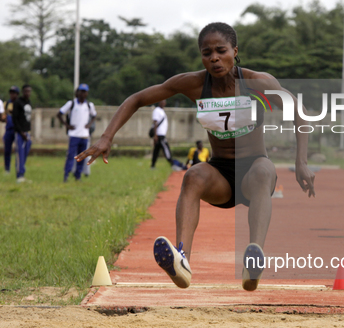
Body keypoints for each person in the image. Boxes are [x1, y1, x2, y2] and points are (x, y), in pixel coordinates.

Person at [76, 22, 315, 292]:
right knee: (193, 175)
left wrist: (301, 162)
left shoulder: (258, 82)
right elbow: (137, 99)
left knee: (263, 170)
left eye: (221, 50)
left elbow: (300, 111)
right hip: (221, 176)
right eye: (206, 52)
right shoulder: (193, 84)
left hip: (253, 173)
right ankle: (182, 260)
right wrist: (107, 136)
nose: (213, 57)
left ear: (235, 51)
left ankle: (253, 258)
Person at [57, 84, 97, 182]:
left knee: (82, 157)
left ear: (87, 93)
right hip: (74, 135)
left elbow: (94, 115)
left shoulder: (89, 105)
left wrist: (89, 124)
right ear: (78, 92)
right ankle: (66, 175)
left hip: (84, 135)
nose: (83, 93)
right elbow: (59, 114)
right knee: (71, 156)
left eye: (84, 92)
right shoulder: (71, 103)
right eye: (81, 91)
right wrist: (67, 125)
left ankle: (77, 176)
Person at [12, 85, 33, 183]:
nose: (27, 93)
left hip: (27, 132)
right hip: (20, 133)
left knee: (25, 153)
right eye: (26, 91)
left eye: (29, 91)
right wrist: (21, 132)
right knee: (19, 153)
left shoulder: (29, 102)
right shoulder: (17, 102)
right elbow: (15, 119)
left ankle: (22, 173)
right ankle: (19, 175)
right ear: (22, 92)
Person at [150, 99, 177, 170]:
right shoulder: (157, 110)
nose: (164, 103)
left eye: (165, 102)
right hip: (159, 135)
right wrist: (155, 135)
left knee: (156, 150)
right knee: (166, 148)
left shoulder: (162, 111)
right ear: (159, 102)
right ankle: (172, 164)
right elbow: (155, 122)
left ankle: (152, 166)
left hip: (161, 134)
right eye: (162, 102)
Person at [2, 86, 20, 174]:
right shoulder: (6, 104)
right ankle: (7, 169)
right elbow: (3, 116)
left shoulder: (19, 103)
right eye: (11, 93)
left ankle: (18, 168)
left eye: (14, 93)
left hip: (17, 130)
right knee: (7, 150)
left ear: (17, 94)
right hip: (9, 129)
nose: (12, 95)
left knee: (18, 151)